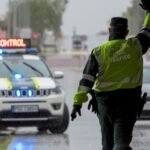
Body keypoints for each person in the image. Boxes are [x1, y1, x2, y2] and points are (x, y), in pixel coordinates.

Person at [71, 0, 150, 150]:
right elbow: (147, 30)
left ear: (109, 31)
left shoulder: (98, 52)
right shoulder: (135, 46)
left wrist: (77, 103)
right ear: (126, 32)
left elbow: (86, 80)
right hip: (128, 102)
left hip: (105, 104)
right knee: (121, 143)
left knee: (107, 144)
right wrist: (149, 13)